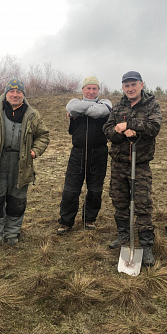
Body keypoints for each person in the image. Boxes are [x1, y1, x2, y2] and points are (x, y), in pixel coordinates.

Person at [0, 79, 50, 254]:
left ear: (23, 95)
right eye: (12, 91)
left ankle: (12, 234)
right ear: (6, 94)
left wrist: (35, 151)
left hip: (21, 163)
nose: (15, 95)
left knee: (17, 201)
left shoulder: (32, 115)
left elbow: (43, 136)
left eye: (19, 92)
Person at [103, 71, 162, 266]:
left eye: (133, 84)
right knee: (119, 201)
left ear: (142, 85)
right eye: (126, 85)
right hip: (119, 164)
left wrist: (128, 124)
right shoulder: (118, 106)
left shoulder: (152, 104)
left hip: (141, 164)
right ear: (123, 87)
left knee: (142, 205)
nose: (130, 88)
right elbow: (108, 130)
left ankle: (146, 246)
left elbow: (153, 127)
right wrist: (120, 131)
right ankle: (124, 237)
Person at [57, 76, 112, 235]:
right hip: (78, 153)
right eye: (88, 88)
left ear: (98, 91)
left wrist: (81, 110)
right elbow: (71, 108)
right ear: (82, 90)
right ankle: (66, 222)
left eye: (94, 88)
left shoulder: (106, 103)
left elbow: (99, 111)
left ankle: (89, 219)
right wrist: (83, 109)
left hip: (99, 153)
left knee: (95, 190)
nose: (91, 91)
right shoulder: (74, 102)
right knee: (71, 189)